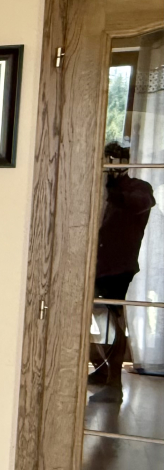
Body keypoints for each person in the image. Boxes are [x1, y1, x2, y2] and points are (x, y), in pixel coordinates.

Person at [93, 142, 156, 399]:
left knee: (114, 322)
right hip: (93, 263)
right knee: (86, 317)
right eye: (108, 158)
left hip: (117, 267)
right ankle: (102, 369)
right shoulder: (98, 185)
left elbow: (138, 203)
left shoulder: (138, 187)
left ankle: (114, 383)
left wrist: (109, 184)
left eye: (116, 158)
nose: (111, 163)